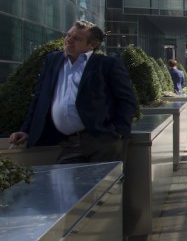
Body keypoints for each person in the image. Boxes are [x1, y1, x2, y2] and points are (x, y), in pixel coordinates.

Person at [8, 20, 138, 164]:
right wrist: (26, 130)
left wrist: (117, 132)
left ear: (92, 45)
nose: (69, 40)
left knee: (105, 185)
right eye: (68, 35)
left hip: (102, 141)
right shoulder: (52, 60)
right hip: (66, 142)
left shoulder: (108, 65)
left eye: (76, 38)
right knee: (66, 184)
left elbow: (127, 101)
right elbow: (39, 98)